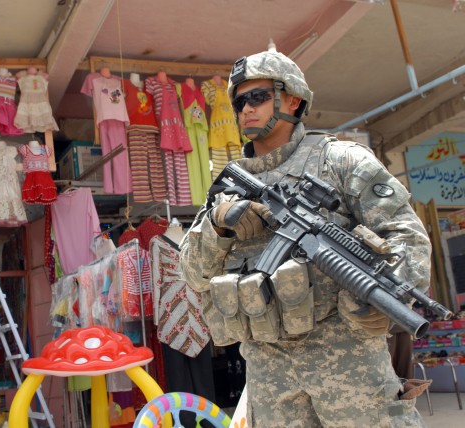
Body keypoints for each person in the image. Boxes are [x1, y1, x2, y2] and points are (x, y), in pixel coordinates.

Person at [179, 49, 432, 426]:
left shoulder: (342, 161)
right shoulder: (227, 188)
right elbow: (193, 274)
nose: (246, 108)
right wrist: (217, 225)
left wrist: (387, 298)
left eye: (259, 97)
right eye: (240, 101)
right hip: (268, 368)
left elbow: (406, 237)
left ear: (293, 99)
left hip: (347, 361)